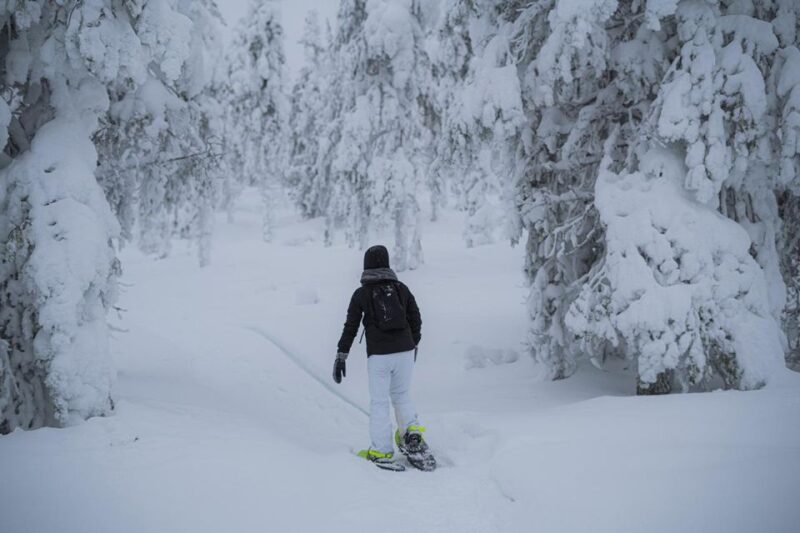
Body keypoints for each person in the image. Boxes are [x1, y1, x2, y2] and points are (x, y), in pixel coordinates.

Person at [333, 244, 426, 469]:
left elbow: (351, 326)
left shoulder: (361, 294)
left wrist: (341, 355)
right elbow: (416, 319)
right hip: (405, 351)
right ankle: (411, 433)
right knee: (402, 395)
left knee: (379, 402)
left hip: (379, 356)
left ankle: (382, 451)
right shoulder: (401, 288)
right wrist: (412, 345)